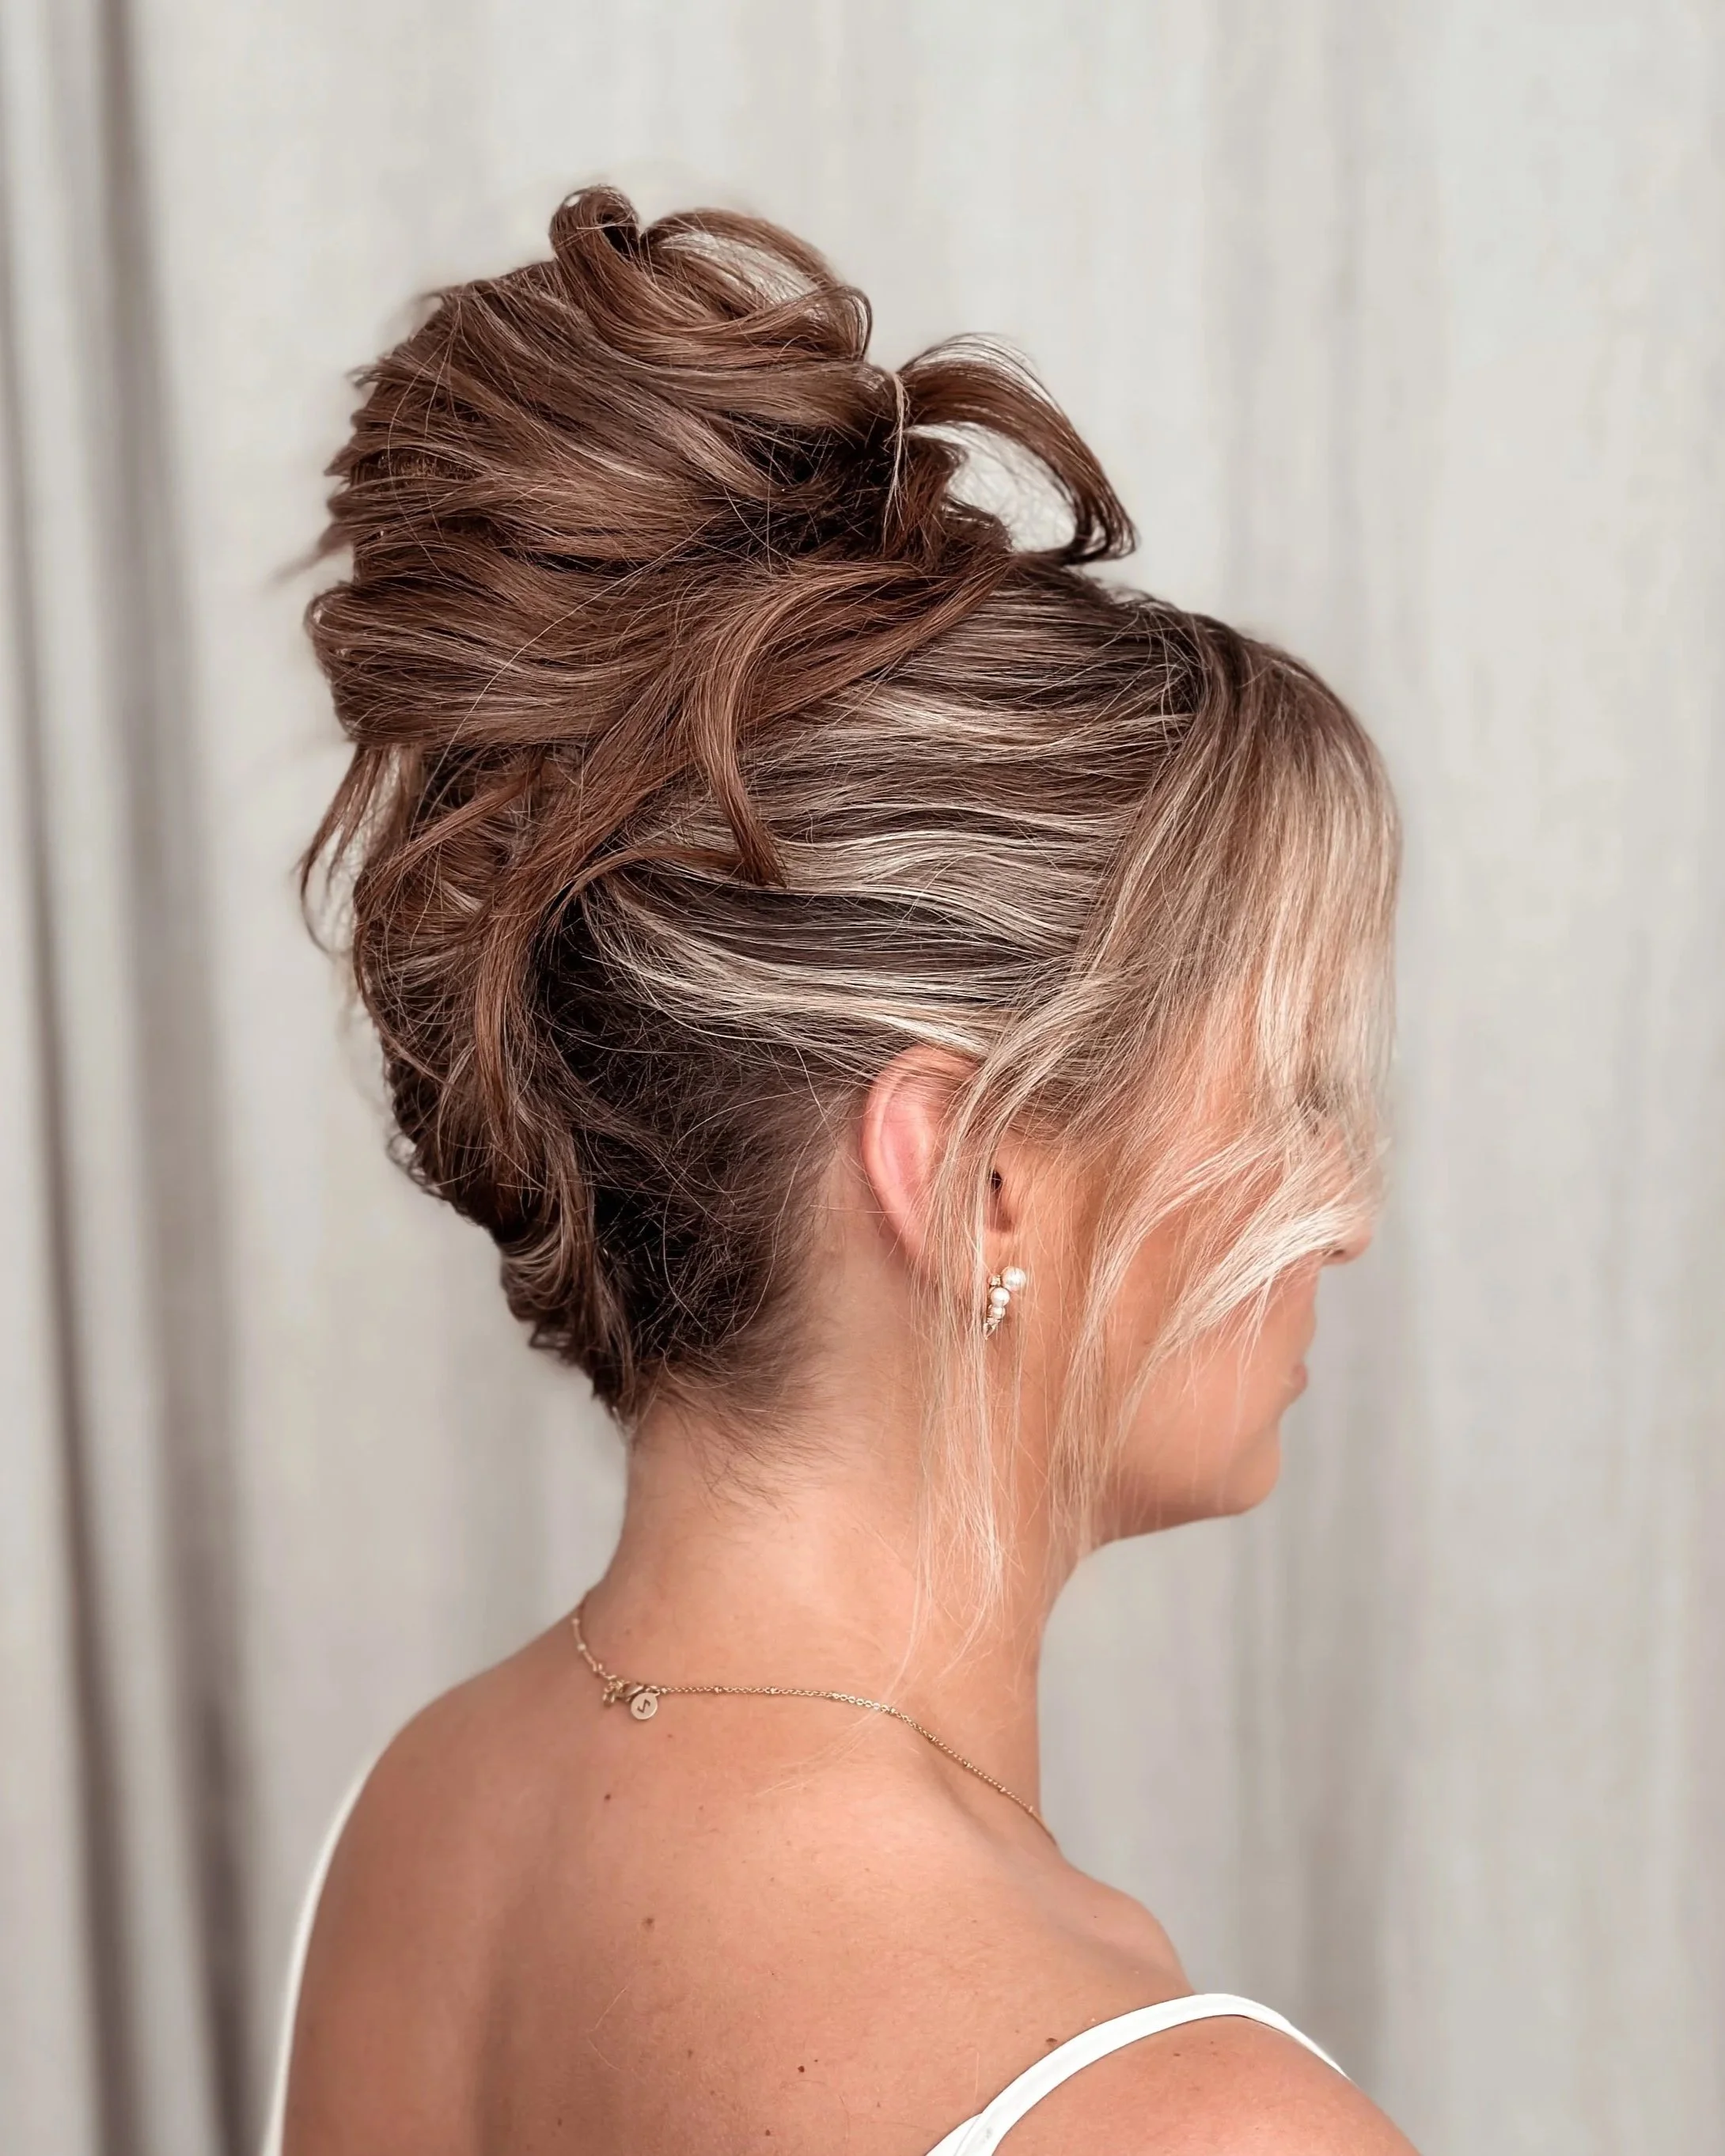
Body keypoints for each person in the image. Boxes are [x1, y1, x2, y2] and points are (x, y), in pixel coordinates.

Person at [267, 186, 1416, 2154]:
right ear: (971, 1177)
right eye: (1284, 1091)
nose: (1347, 1206)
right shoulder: (1187, 2125)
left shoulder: (427, 1826)